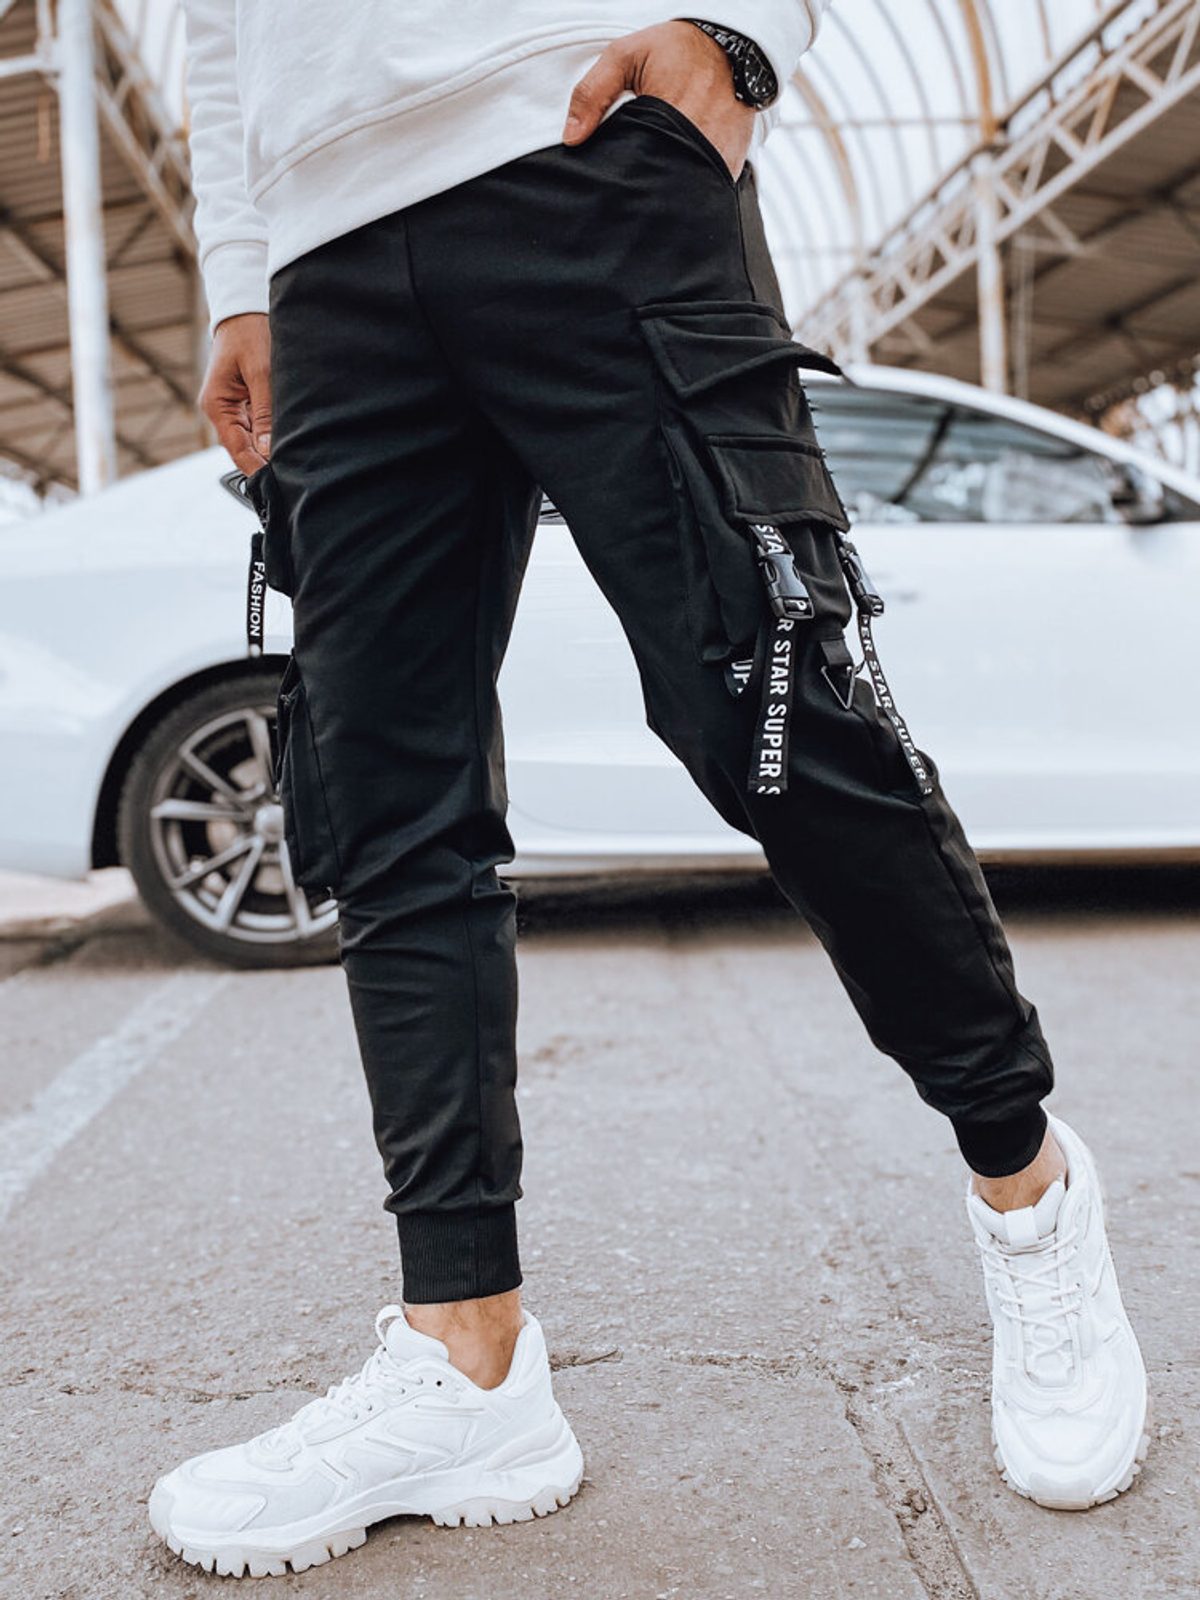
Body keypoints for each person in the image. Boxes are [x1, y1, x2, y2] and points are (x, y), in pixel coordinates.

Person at [151, 1, 1148, 1577]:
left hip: (581, 148)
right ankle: (469, 1362)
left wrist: (744, 35)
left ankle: (1029, 1191)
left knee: (775, 709)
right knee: (384, 796)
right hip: (325, 251)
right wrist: (237, 275)